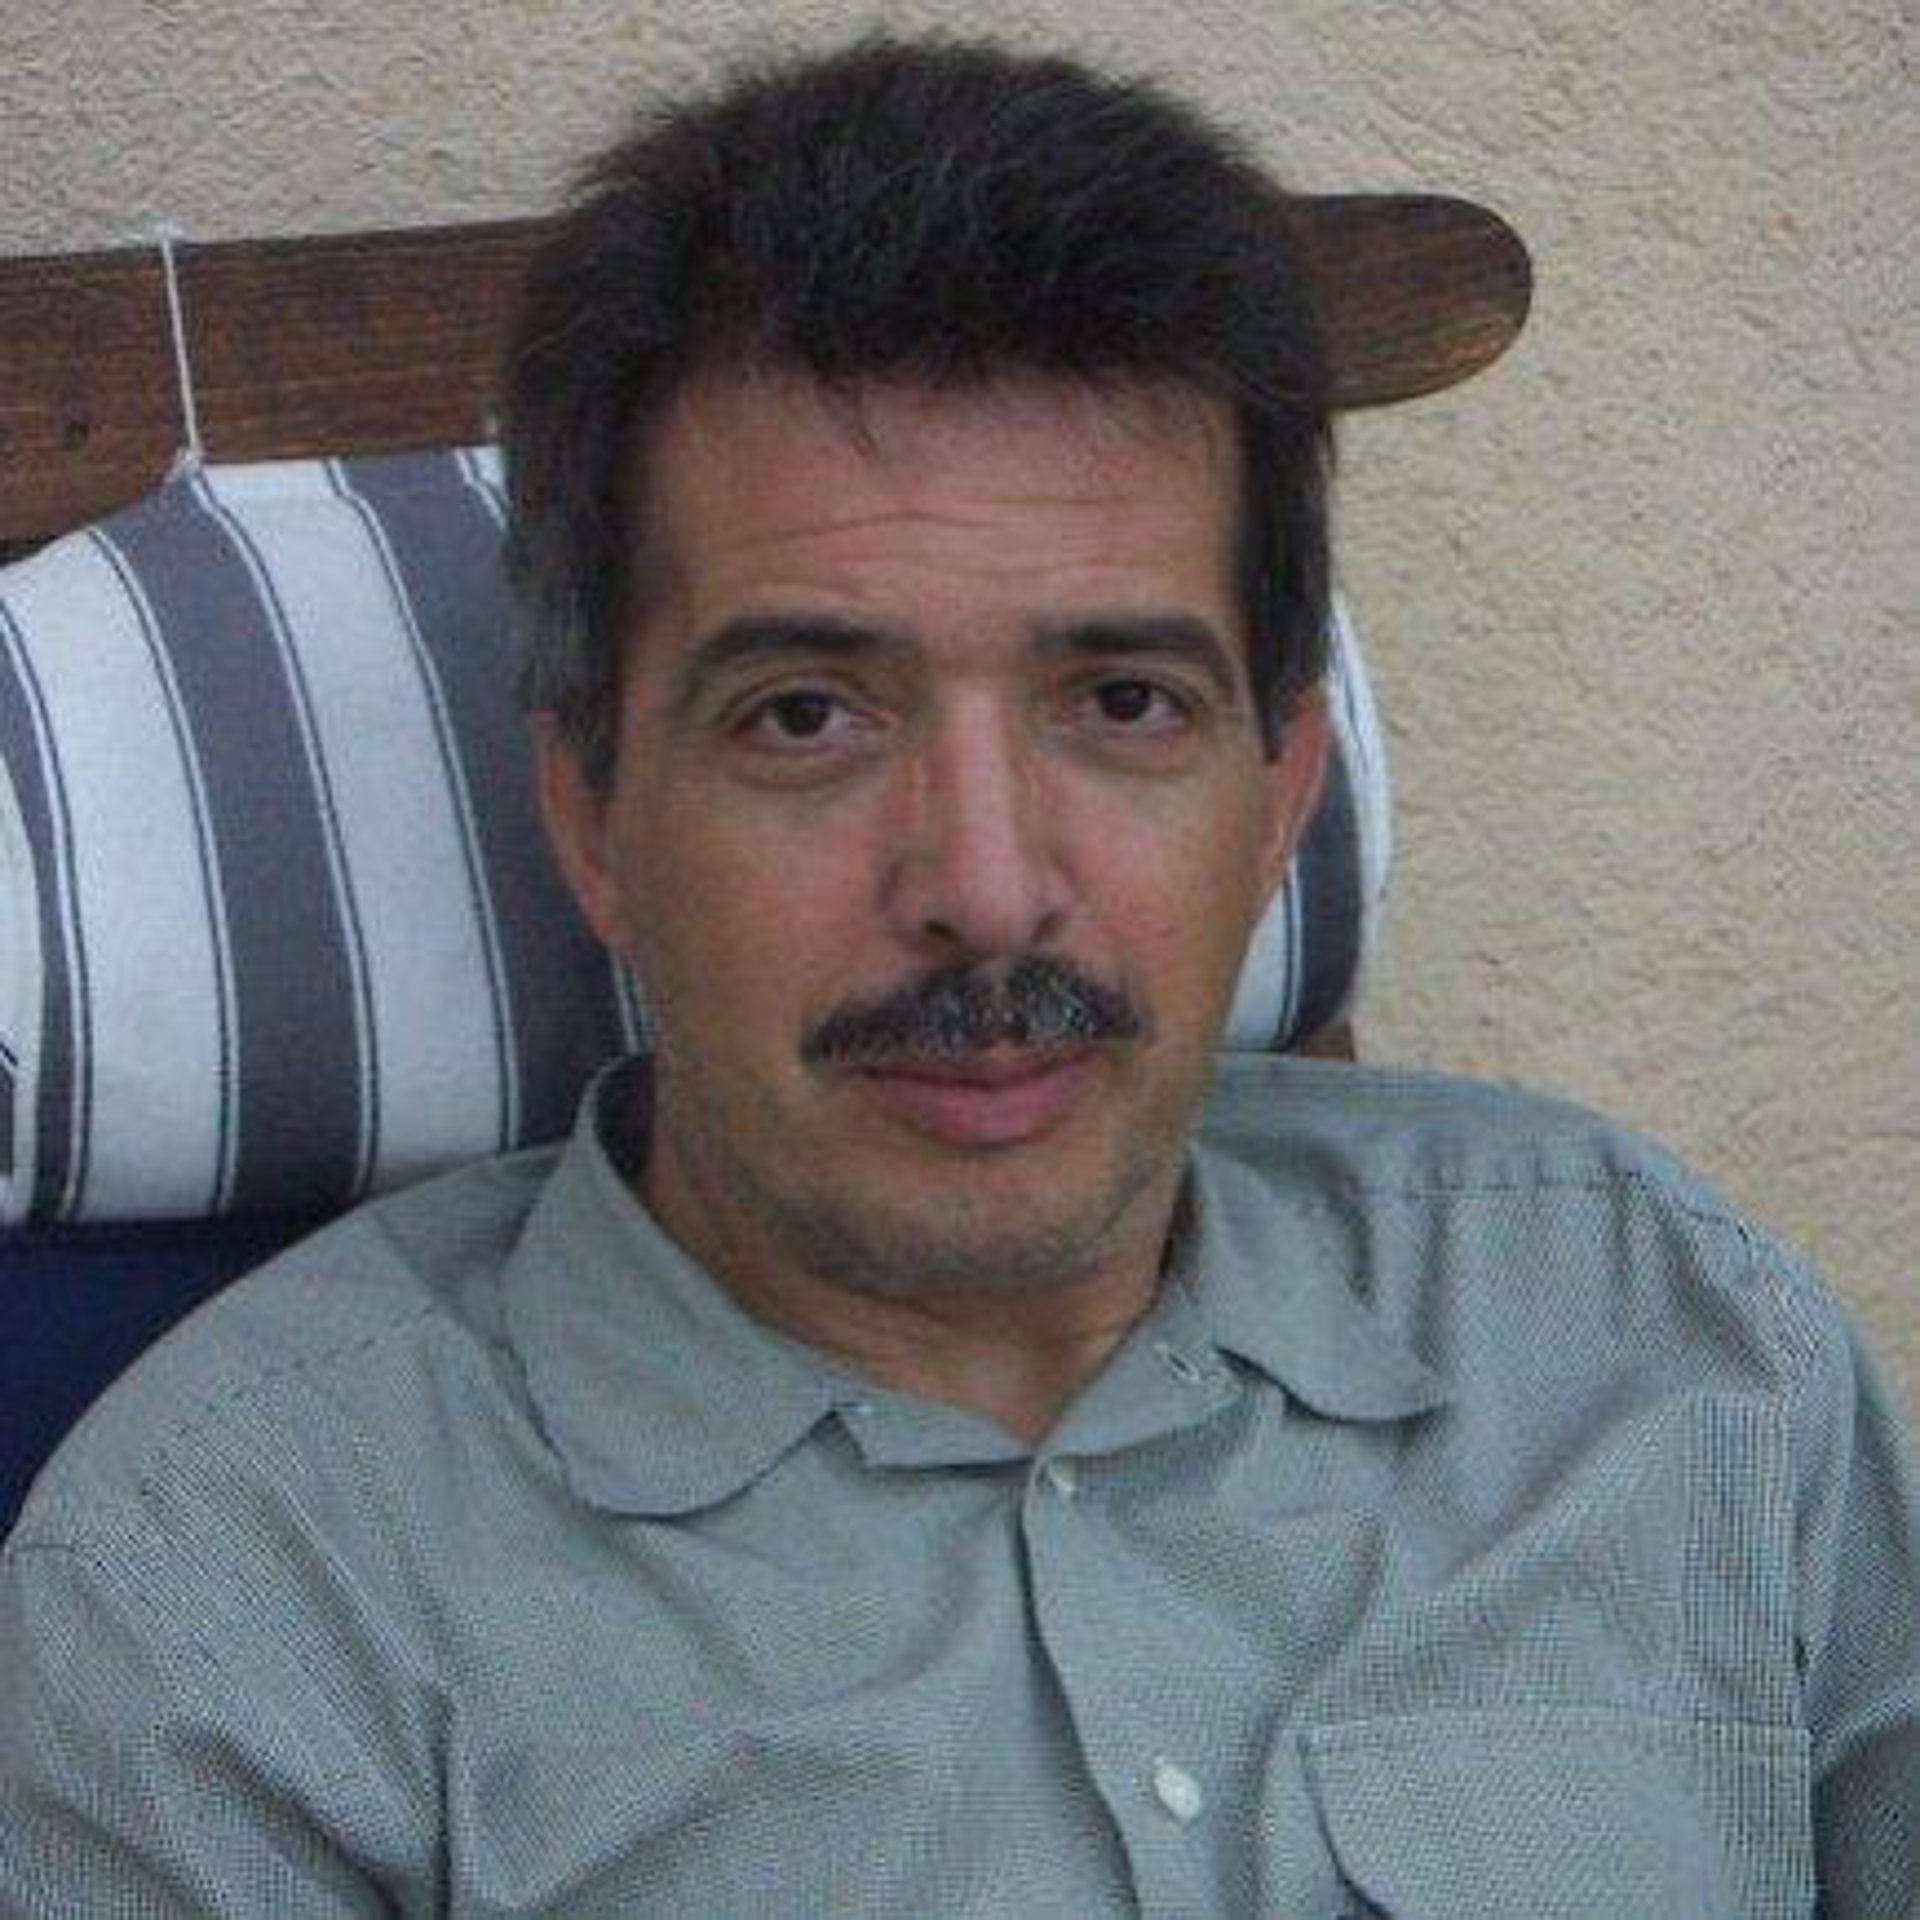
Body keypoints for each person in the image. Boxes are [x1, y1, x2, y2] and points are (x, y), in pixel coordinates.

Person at [2, 34, 1914, 1917]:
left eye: (1124, 702)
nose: (989, 896)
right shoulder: (242, 1598)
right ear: (593, 814)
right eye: (807, 715)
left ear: (1278, 796)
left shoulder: (1675, 1348)